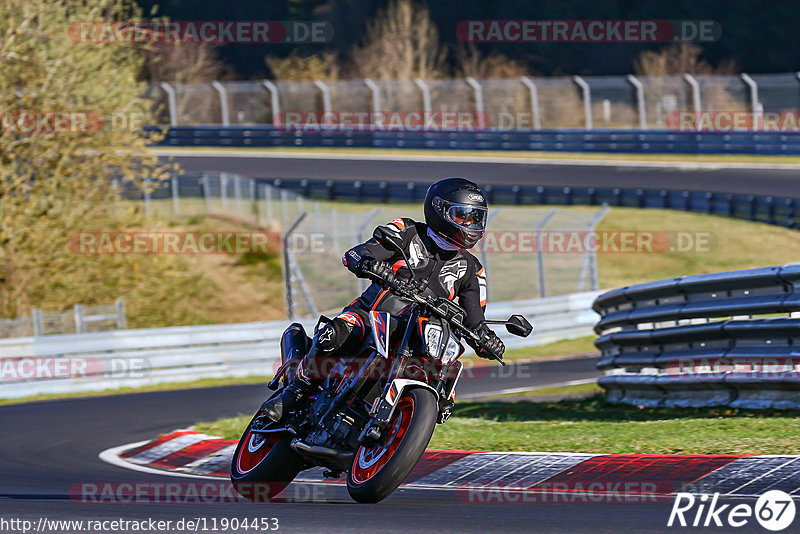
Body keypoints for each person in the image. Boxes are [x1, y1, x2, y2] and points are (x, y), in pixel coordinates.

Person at [263, 177, 505, 422]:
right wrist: (368, 263)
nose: (471, 224)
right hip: (372, 315)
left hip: (421, 335)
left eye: (476, 218)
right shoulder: (407, 232)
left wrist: (488, 341)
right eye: (464, 216)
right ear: (439, 210)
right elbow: (361, 252)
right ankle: (295, 391)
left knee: (445, 377)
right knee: (336, 333)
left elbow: (475, 320)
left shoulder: (472, 270)